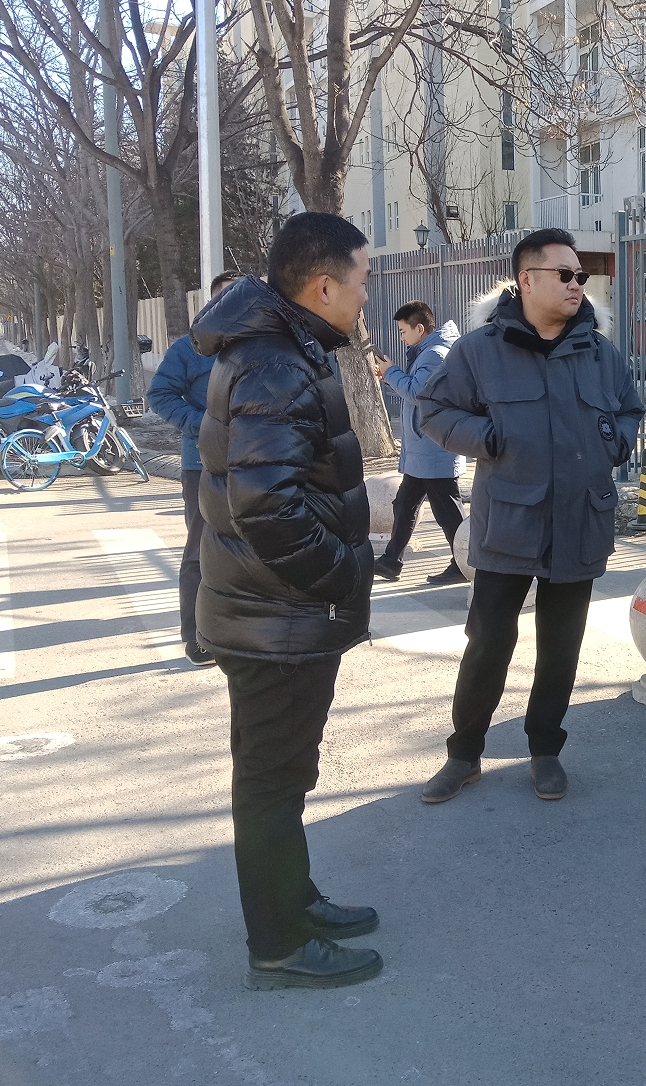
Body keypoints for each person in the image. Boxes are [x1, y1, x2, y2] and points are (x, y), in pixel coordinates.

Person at [191, 214, 381, 990]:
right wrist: (341, 574)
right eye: (362, 279)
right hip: (278, 619)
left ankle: (294, 898)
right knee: (271, 783)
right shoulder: (274, 362)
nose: (367, 294)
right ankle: (277, 945)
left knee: (281, 775)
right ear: (324, 285)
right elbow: (268, 509)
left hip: (270, 613)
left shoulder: (284, 346)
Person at [415, 228, 642, 804]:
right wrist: (487, 437)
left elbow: (630, 409)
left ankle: (545, 749)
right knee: (488, 643)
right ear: (526, 280)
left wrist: (613, 441)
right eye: (564, 274)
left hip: (580, 519)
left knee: (560, 647)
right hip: (509, 524)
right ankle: (464, 754)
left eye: (580, 276)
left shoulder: (600, 352)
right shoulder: (480, 350)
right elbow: (433, 410)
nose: (577, 284)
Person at [149, 269, 242, 666]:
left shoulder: (262, 344)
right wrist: (203, 425)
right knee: (202, 550)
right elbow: (160, 394)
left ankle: (242, 630)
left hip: (257, 462)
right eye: (225, 298)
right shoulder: (188, 349)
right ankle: (197, 634)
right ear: (212, 303)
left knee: (251, 549)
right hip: (203, 464)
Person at [372, 301, 466, 585]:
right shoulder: (429, 352)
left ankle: (465, 563)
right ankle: (391, 561)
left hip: (433, 446)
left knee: (447, 512)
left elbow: (417, 392)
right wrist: (390, 377)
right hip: (425, 446)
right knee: (404, 505)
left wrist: (391, 372)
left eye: (403, 331)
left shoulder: (434, 355)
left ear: (420, 329)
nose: (401, 338)